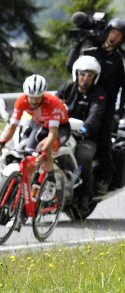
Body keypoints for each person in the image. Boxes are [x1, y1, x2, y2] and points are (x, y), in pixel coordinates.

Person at [67, 18, 125, 193]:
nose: (114, 37)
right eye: (113, 32)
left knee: (103, 144)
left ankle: (104, 180)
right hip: (82, 102)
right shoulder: (92, 51)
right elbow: (71, 67)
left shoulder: (120, 59)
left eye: (119, 34)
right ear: (107, 32)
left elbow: (124, 88)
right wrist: (76, 45)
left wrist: (118, 111)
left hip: (106, 108)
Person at [0, 75, 70, 186]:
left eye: (38, 97)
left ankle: (51, 179)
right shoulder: (21, 101)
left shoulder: (53, 103)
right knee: (28, 155)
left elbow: (53, 133)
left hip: (60, 128)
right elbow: (13, 126)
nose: (34, 101)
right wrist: (2, 141)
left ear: (43, 94)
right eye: (31, 97)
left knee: (43, 149)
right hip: (41, 125)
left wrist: (44, 152)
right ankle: (26, 189)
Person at [58, 55, 107, 210]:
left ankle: (86, 195)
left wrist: (85, 127)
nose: (85, 79)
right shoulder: (67, 88)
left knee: (83, 158)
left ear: (95, 77)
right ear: (76, 74)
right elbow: (53, 104)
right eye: (82, 74)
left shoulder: (99, 93)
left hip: (85, 137)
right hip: (63, 132)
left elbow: (95, 114)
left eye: (89, 75)